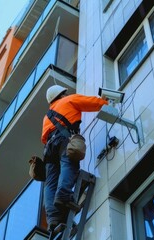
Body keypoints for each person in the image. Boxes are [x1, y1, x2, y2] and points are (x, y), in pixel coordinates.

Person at [41, 85, 108, 231]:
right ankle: (64, 194)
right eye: (65, 93)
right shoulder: (69, 100)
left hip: (48, 149)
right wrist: (106, 102)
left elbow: (44, 138)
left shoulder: (47, 116)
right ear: (62, 94)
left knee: (51, 182)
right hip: (63, 140)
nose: (67, 94)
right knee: (69, 166)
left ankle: (53, 218)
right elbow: (93, 103)